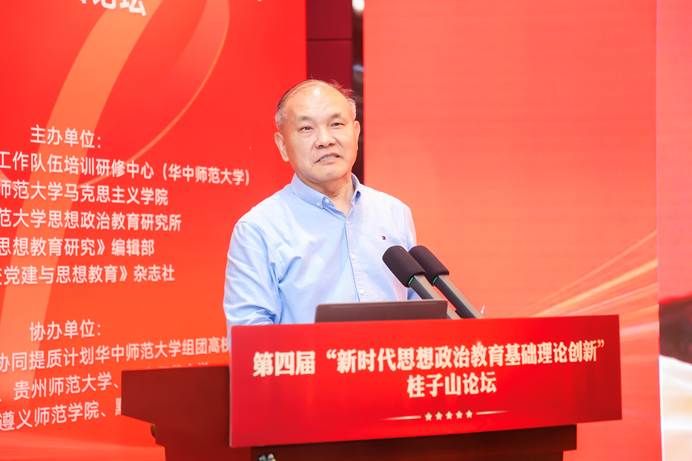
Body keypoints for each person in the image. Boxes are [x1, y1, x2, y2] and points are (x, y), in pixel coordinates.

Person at [223, 79, 417, 325]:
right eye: (306, 128)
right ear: (282, 146)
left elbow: (419, 313)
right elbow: (249, 333)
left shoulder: (394, 212)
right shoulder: (258, 229)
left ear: (356, 132)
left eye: (336, 124)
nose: (325, 140)